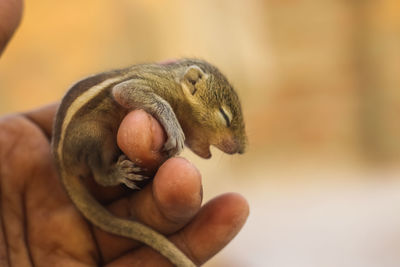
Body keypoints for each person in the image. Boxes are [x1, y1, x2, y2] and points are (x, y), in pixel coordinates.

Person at [0, 1, 249, 266]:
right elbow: (124, 92)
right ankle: (104, 174)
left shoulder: (174, 92)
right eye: (222, 118)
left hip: (85, 147)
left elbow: (189, 133)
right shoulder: (162, 85)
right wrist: (165, 115)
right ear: (192, 83)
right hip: (80, 142)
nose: (233, 145)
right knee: (101, 134)